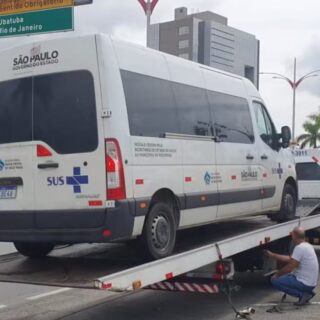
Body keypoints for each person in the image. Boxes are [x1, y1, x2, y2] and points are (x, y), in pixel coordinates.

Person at [265, 227, 319, 305]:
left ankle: (303, 294)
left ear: (294, 236)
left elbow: (290, 267)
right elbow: (290, 259)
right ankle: (308, 292)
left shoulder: (300, 248)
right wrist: (272, 255)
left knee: (275, 281)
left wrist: (277, 275)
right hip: (311, 283)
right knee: (286, 276)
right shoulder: (307, 246)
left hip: (305, 283)